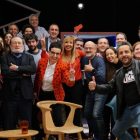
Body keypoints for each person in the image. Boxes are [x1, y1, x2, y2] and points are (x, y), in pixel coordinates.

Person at [88, 41, 140, 140]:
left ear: (132, 53)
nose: (124, 55)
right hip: (128, 109)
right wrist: (96, 87)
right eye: (121, 53)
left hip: (139, 106)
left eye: (126, 52)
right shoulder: (118, 73)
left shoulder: (139, 65)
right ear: (118, 55)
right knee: (116, 131)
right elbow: (109, 87)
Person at [33, 41, 75, 139]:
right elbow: (37, 79)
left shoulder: (63, 66)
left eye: (57, 53)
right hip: (42, 94)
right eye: (53, 52)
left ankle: (59, 137)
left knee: (57, 118)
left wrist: (71, 77)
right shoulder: (41, 62)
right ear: (49, 52)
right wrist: (35, 92)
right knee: (33, 114)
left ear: (60, 54)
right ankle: (41, 136)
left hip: (56, 95)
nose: (55, 56)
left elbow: (68, 83)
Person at [0, 36, 36, 130]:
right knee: (9, 123)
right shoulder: (4, 58)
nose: (17, 45)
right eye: (14, 43)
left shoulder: (29, 57)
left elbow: (32, 69)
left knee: (27, 122)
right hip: (9, 96)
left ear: (23, 45)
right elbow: (5, 73)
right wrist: (23, 74)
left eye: (19, 43)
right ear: (10, 45)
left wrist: (17, 68)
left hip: (25, 96)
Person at [81, 41, 107, 140]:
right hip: (90, 91)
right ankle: (95, 136)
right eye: (86, 48)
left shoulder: (99, 60)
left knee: (96, 114)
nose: (88, 50)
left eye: (90, 48)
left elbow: (103, 78)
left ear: (95, 48)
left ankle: (102, 137)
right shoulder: (84, 59)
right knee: (87, 113)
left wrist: (92, 70)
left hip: (100, 90)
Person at [104, 47, 122, 140]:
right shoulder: (108, 65)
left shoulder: (122, 64)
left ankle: (115, 136)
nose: (109, 56)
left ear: (116, 54)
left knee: (116, 118)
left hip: (120, 95)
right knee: (107, 116)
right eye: (107, 55)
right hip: (109, 94)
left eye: (111, 54)